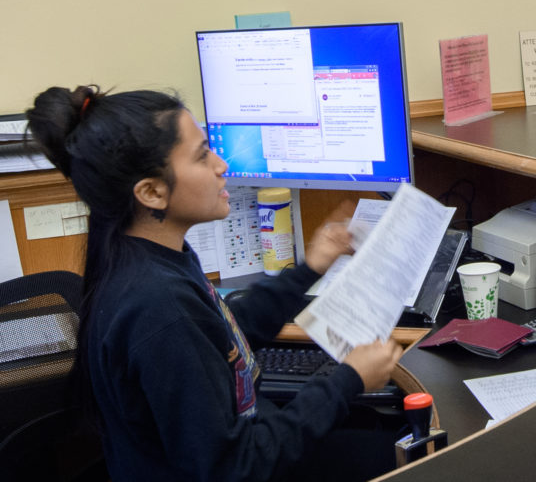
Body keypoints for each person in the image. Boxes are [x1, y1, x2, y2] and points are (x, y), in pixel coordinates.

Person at [24, 85, 405, 482]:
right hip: (244, 463)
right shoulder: (158, 307)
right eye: (202, 154)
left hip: (247, 444)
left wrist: (310, 267)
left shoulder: (149, 258)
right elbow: (236, 466)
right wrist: (348, 380)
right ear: (151, 192)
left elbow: (225, 334)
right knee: (413, 450)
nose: (222, 164)